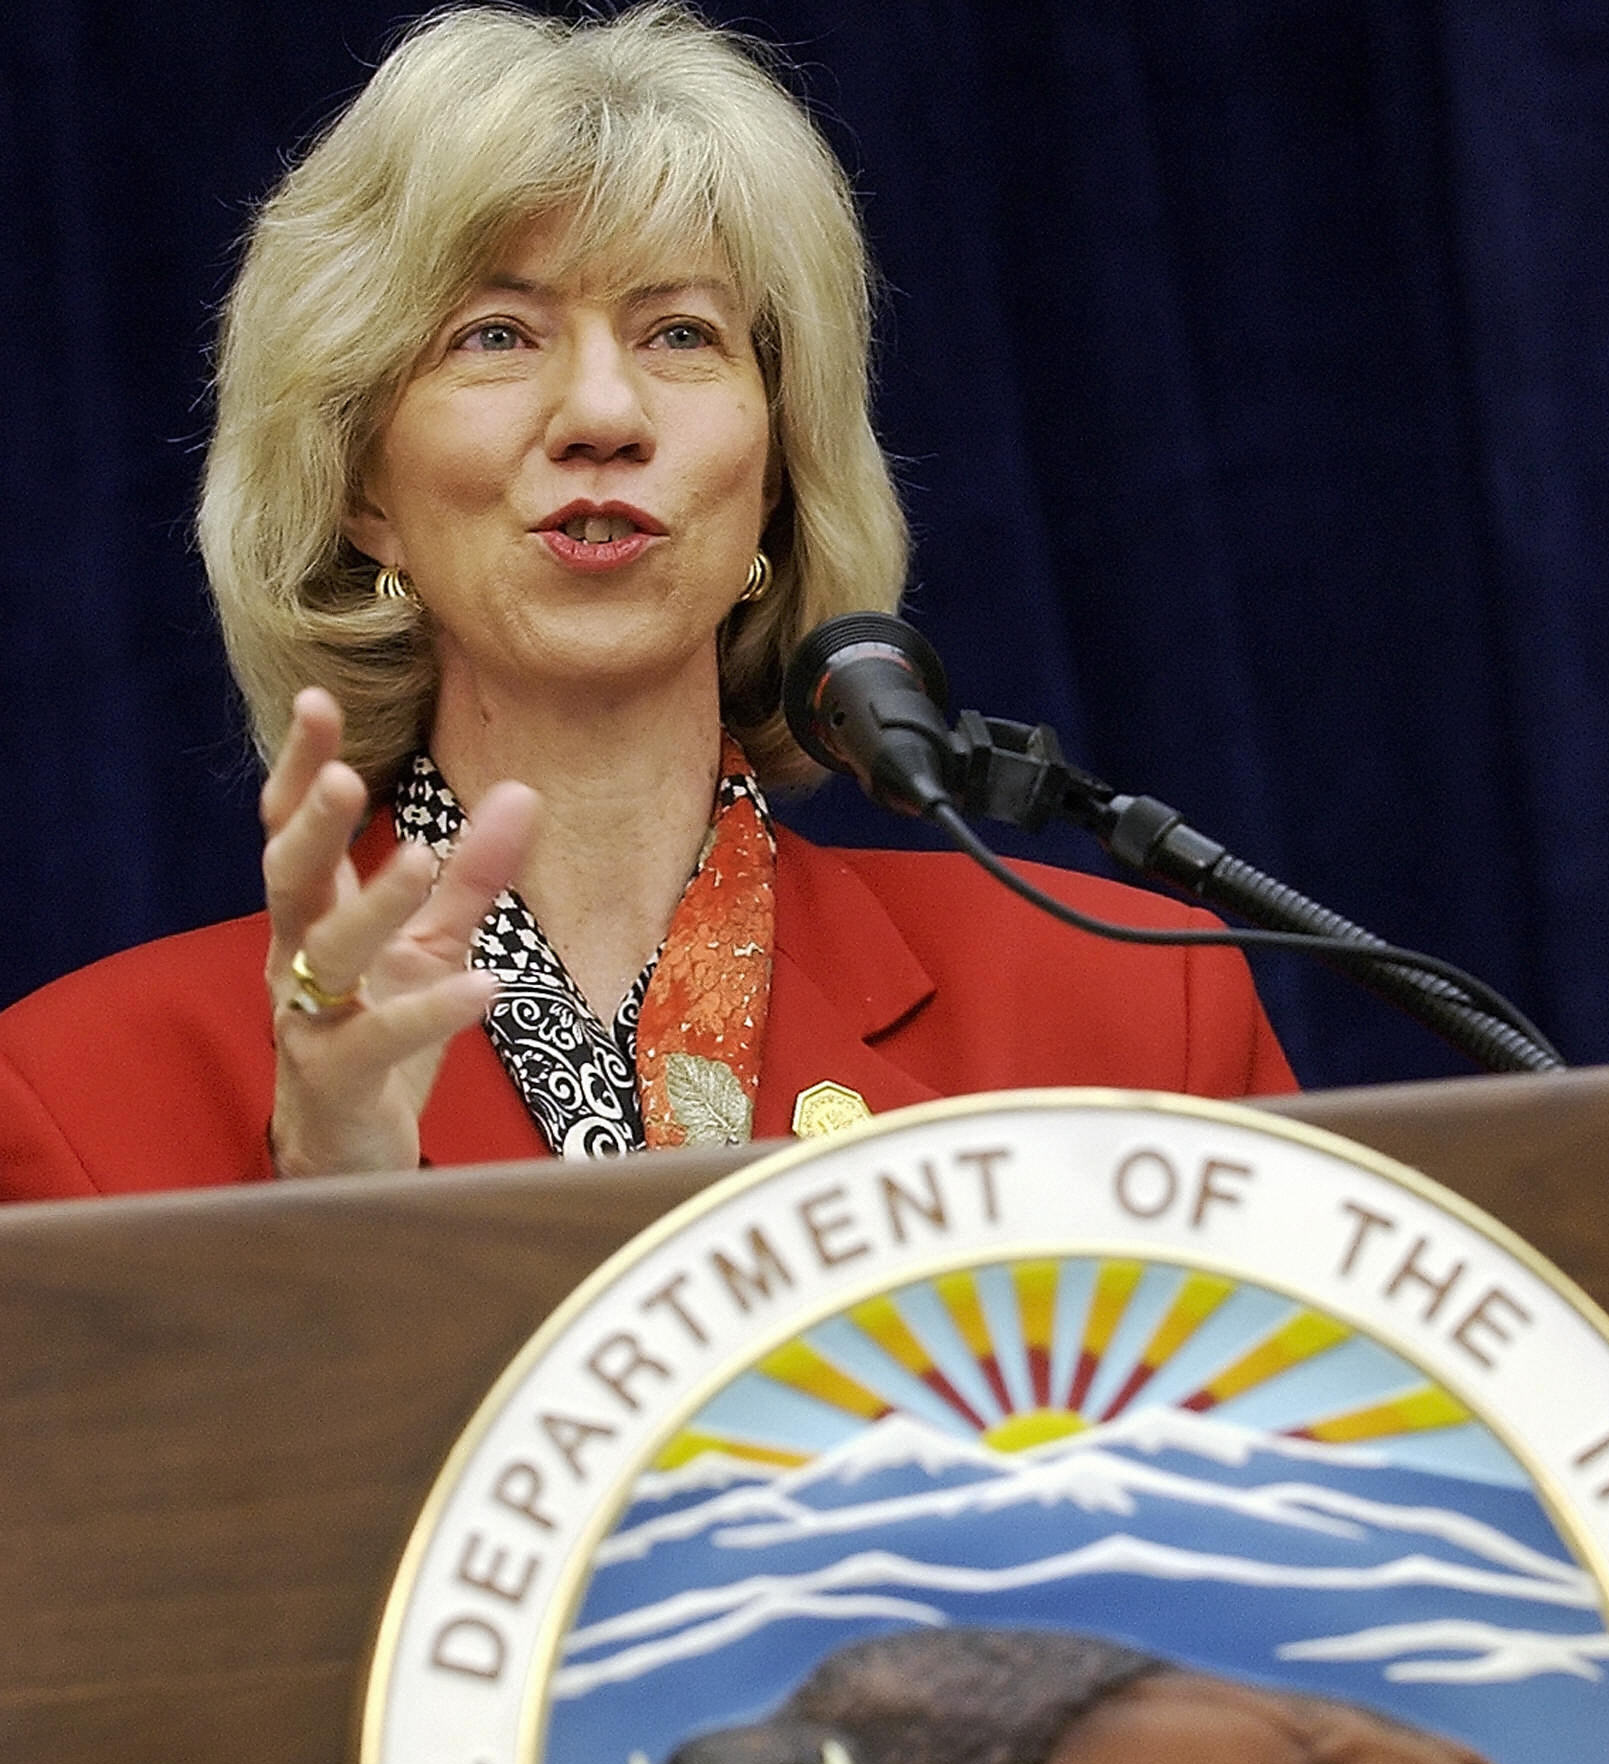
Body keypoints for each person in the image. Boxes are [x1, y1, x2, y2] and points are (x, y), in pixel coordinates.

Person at [0, 4, 1293, 1204]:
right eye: (495, 335)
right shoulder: (73, 1094)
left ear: (778, 476)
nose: (605, 417)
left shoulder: (1131, 1014)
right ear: (363, 491)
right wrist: (334, 1216)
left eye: (680, 333)